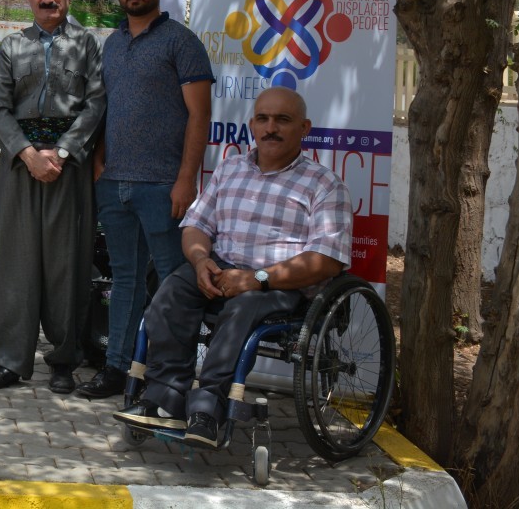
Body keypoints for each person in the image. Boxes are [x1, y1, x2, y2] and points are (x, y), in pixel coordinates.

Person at [115, 87, 352, 447]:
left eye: (282, 120)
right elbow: (196, 226)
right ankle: (163, 398)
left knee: (243, 308)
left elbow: (327, 260)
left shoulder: (324, 185)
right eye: (263, 119)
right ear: (252, 124)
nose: (270, 128)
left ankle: (206, 410)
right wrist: (199, 260)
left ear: (304, 128)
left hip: (276, 283)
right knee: (171, 293)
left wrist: (256, 279)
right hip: (219, 267)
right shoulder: (231, 168)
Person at [76, 0, 214, 401]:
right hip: (115, 185)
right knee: (125, 281)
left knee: (175, 281)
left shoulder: (181, 41)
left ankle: (170, 378)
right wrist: (99, 164)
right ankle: (116, 369)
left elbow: (199, 116)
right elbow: (103, 110)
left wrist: (185, 179)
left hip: (162, 186)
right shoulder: (111, 45)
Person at [0, 0, 106, 395]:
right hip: (19, 168)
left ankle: (64, 360)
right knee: (14, 265)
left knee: (66, 266)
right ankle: (10, 362)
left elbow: (95, 105)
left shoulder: (88, 46)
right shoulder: (12, 48)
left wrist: (64, 152)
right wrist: (29, 154)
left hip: (69, 169)